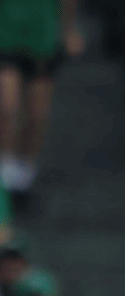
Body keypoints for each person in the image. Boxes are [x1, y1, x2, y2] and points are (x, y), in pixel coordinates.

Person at [0, 0, 84, 197]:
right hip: (5, 33)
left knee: (36, 117)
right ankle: (6, 178)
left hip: (41, 38)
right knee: (6, 109)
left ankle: (22, 177)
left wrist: (69, 29)